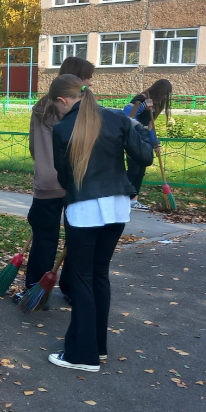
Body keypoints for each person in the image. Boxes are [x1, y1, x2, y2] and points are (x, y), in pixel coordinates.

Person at [48, 75, 154, 373]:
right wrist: (142, 129)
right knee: (99, 275)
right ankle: (98, 348)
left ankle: (82, 355)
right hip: (118, 208)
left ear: (63, 100)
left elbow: (63, 177)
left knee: (82, 279)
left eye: (56, 105)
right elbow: (144, 158)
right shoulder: (116, 119)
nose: (57, 111)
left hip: (84, 209)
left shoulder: (61, 129)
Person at [14, 56, 95, 305]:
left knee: (44, 236)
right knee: (78, 238)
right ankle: (72, 290)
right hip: (76, 181)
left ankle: (34, 290)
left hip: (47, 181)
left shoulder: (42, 105)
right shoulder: (81, 108)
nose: (91, 82)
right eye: (88, 77)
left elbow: (32, 144)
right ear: (77, 78)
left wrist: (41, 163)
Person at [123, 80, 173, 211]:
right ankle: (123, 198)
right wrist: (144, 105)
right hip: (134, 136)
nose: (166, 97)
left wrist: (156, 143)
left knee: (140, 171)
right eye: (165, 94)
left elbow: (151, 126)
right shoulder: (141, 98)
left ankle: (133, 200)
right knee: (133, 170)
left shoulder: (155, 105)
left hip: (145, 138)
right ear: (159, 91)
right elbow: (128, 115)